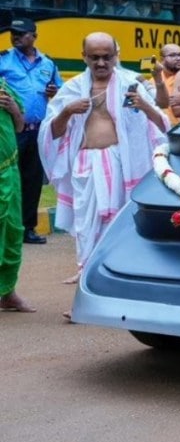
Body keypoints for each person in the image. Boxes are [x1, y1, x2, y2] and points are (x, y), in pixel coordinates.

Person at [38, 32, 169, 297]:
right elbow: (50, 132)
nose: (100, 63)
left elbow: (161, 124)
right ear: (83, 56)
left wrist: (145, 106)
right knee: (86, 229)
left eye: (106, 57)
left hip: (122, 166)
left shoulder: (131, 83)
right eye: (94, 57)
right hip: (85, 166)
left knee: (118, 228)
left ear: (115, 56)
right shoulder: (73, 88)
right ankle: (89, 286)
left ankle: (115, 284)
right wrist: (66, 111)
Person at [0, 18, 61, 245]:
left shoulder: (48, 63)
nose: (15, 37)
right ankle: (6, 228)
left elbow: (60, 92)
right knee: (8, 180)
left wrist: (54, 92)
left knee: (33, 181)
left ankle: (28, 229)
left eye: (21, 33)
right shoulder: (3, 60)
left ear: (34, 36)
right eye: (13, 33)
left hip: (38, 132)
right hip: (11, 130)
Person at [0, 75, 34, 312]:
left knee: (12, 231)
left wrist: (13, 109)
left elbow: (20, 126)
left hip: (8, 171)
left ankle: (7, 293)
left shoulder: (5, 88)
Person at [149, 44, 180, 125]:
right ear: (162, 59)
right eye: (172, 55)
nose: (178, 58)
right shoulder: (154, 80)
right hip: (163, 127)